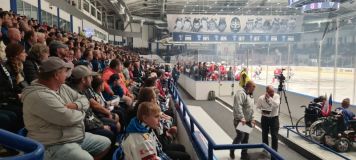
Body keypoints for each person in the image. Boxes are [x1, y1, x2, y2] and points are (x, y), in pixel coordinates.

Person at [21, 57, 111, 160]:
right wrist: (82, 111)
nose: (67, 75)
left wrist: (76, 106)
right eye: (65, 72)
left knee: (105, 143)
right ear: (56, 75)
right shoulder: (39, 96)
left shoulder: (62, 86)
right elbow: (69, 118)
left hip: (71, 135)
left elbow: (83, 99)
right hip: (53, 144)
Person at [230, 81, 256, 160]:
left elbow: (251, 108)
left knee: (246, 138)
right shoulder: (240, 94)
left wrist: (253, 118)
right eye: (252, 89)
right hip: (240, 120)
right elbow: (238, 106)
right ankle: (232, 149)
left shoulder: (250, 95)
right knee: (240, 136)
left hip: (247, 121)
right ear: (248, 87)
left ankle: (244, 155)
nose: (253, 91)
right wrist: (242, 118)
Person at [256, 85, 280, 154]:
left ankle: (274, 152)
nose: (272, 93)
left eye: (273, 91)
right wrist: (262, 112)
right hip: (264, 118)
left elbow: (276, 105)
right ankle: (265, 149)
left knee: (275, 136)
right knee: (264, 134)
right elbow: (257, 107)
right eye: (270, 92)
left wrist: (269, 98)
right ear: (266, 91)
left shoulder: (277, 96)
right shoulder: (261, 98)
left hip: (274, 118)